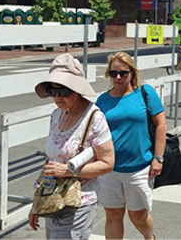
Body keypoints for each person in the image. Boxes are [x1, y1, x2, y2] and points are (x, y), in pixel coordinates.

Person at [27, 54, 115, 240]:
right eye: (52, 91)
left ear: (77, 90)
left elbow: (108, 164)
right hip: (54, 199)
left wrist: (68, 170)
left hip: (79, 202)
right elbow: (49, 162)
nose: (58, 97)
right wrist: (37, 203)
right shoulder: (57, 115)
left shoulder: (94, 118)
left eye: (65, 91)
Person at [96, 52, 167, 240]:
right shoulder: (103, 100)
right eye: (113, 73)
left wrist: (158, 158)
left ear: (132, 73)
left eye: (123, 73)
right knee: (112, 216)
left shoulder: (144, 93)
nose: (118, 78)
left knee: (138, 217)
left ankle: (150, 238)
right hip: (109, 168)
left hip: (139, 167)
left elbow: (160, 124)